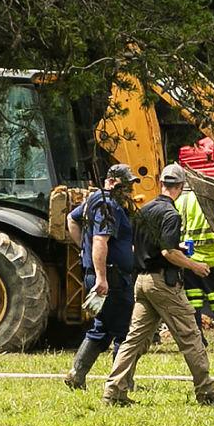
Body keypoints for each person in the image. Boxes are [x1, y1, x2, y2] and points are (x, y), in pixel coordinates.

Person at [102, 168, 214, 407]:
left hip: (142, 281)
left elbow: (143, 246)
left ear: (160, 183)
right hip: (163, 283)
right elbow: (167, 252)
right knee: (191, 336)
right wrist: (194, 265)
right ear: (181, 187)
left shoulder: (146, 210)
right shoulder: (171, 214)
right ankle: (207, 391)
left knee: (134, 339)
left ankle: (113, 391)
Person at [63, 164, 139, 389]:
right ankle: (121, 383)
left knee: (103, 327)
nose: (129, 192)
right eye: (126, 186)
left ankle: (77, 374)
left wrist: (82, 250)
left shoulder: (93, 200)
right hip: (112, 277)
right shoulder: (109, 206)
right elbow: (100, 240)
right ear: (113, 182)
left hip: (102, 274)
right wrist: (101, 277)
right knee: (124, 331)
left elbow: (71, 219)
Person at [167, 164, 214, 334]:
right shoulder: (212, 201)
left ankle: (197, 338)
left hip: (190, 258)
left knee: (193, 302)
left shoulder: (181, 201)